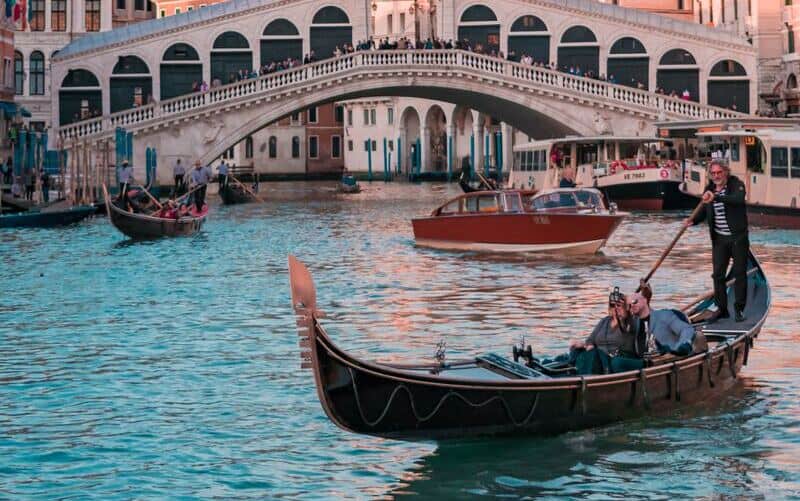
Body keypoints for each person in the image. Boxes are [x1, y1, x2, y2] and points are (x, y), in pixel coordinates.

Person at [684, 161, 749, 322]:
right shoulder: (709, 190)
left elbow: (737, 199)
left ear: (726, 172)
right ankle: (722, 308)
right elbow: (704, 211)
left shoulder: (736, 185)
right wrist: (694, 221)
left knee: (740, 273)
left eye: (719, 172)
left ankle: (739, 309)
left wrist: (717, 197)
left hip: (738, 238)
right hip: (719, 239)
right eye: (713, 173)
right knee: (718, 275)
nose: (716, 176)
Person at [567, 288, 645, 374]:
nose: (615, 308)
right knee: (576, 350)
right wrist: (586, 345)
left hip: (615, 358)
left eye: (619, 305)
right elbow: (590, 340)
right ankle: (569, 371)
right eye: (612, 305)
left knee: (609, 360)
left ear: (626, 307)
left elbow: (637, 323)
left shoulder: (631, 321)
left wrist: (626, 313)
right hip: (597, 357)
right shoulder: (605, 321)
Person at [627, 291, 699, 356]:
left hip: (667, 357)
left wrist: (678, 347)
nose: (632, 306)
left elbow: (687, 330)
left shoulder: (665, 316)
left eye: (634, 302)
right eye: (629, 305)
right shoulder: (633, 322)